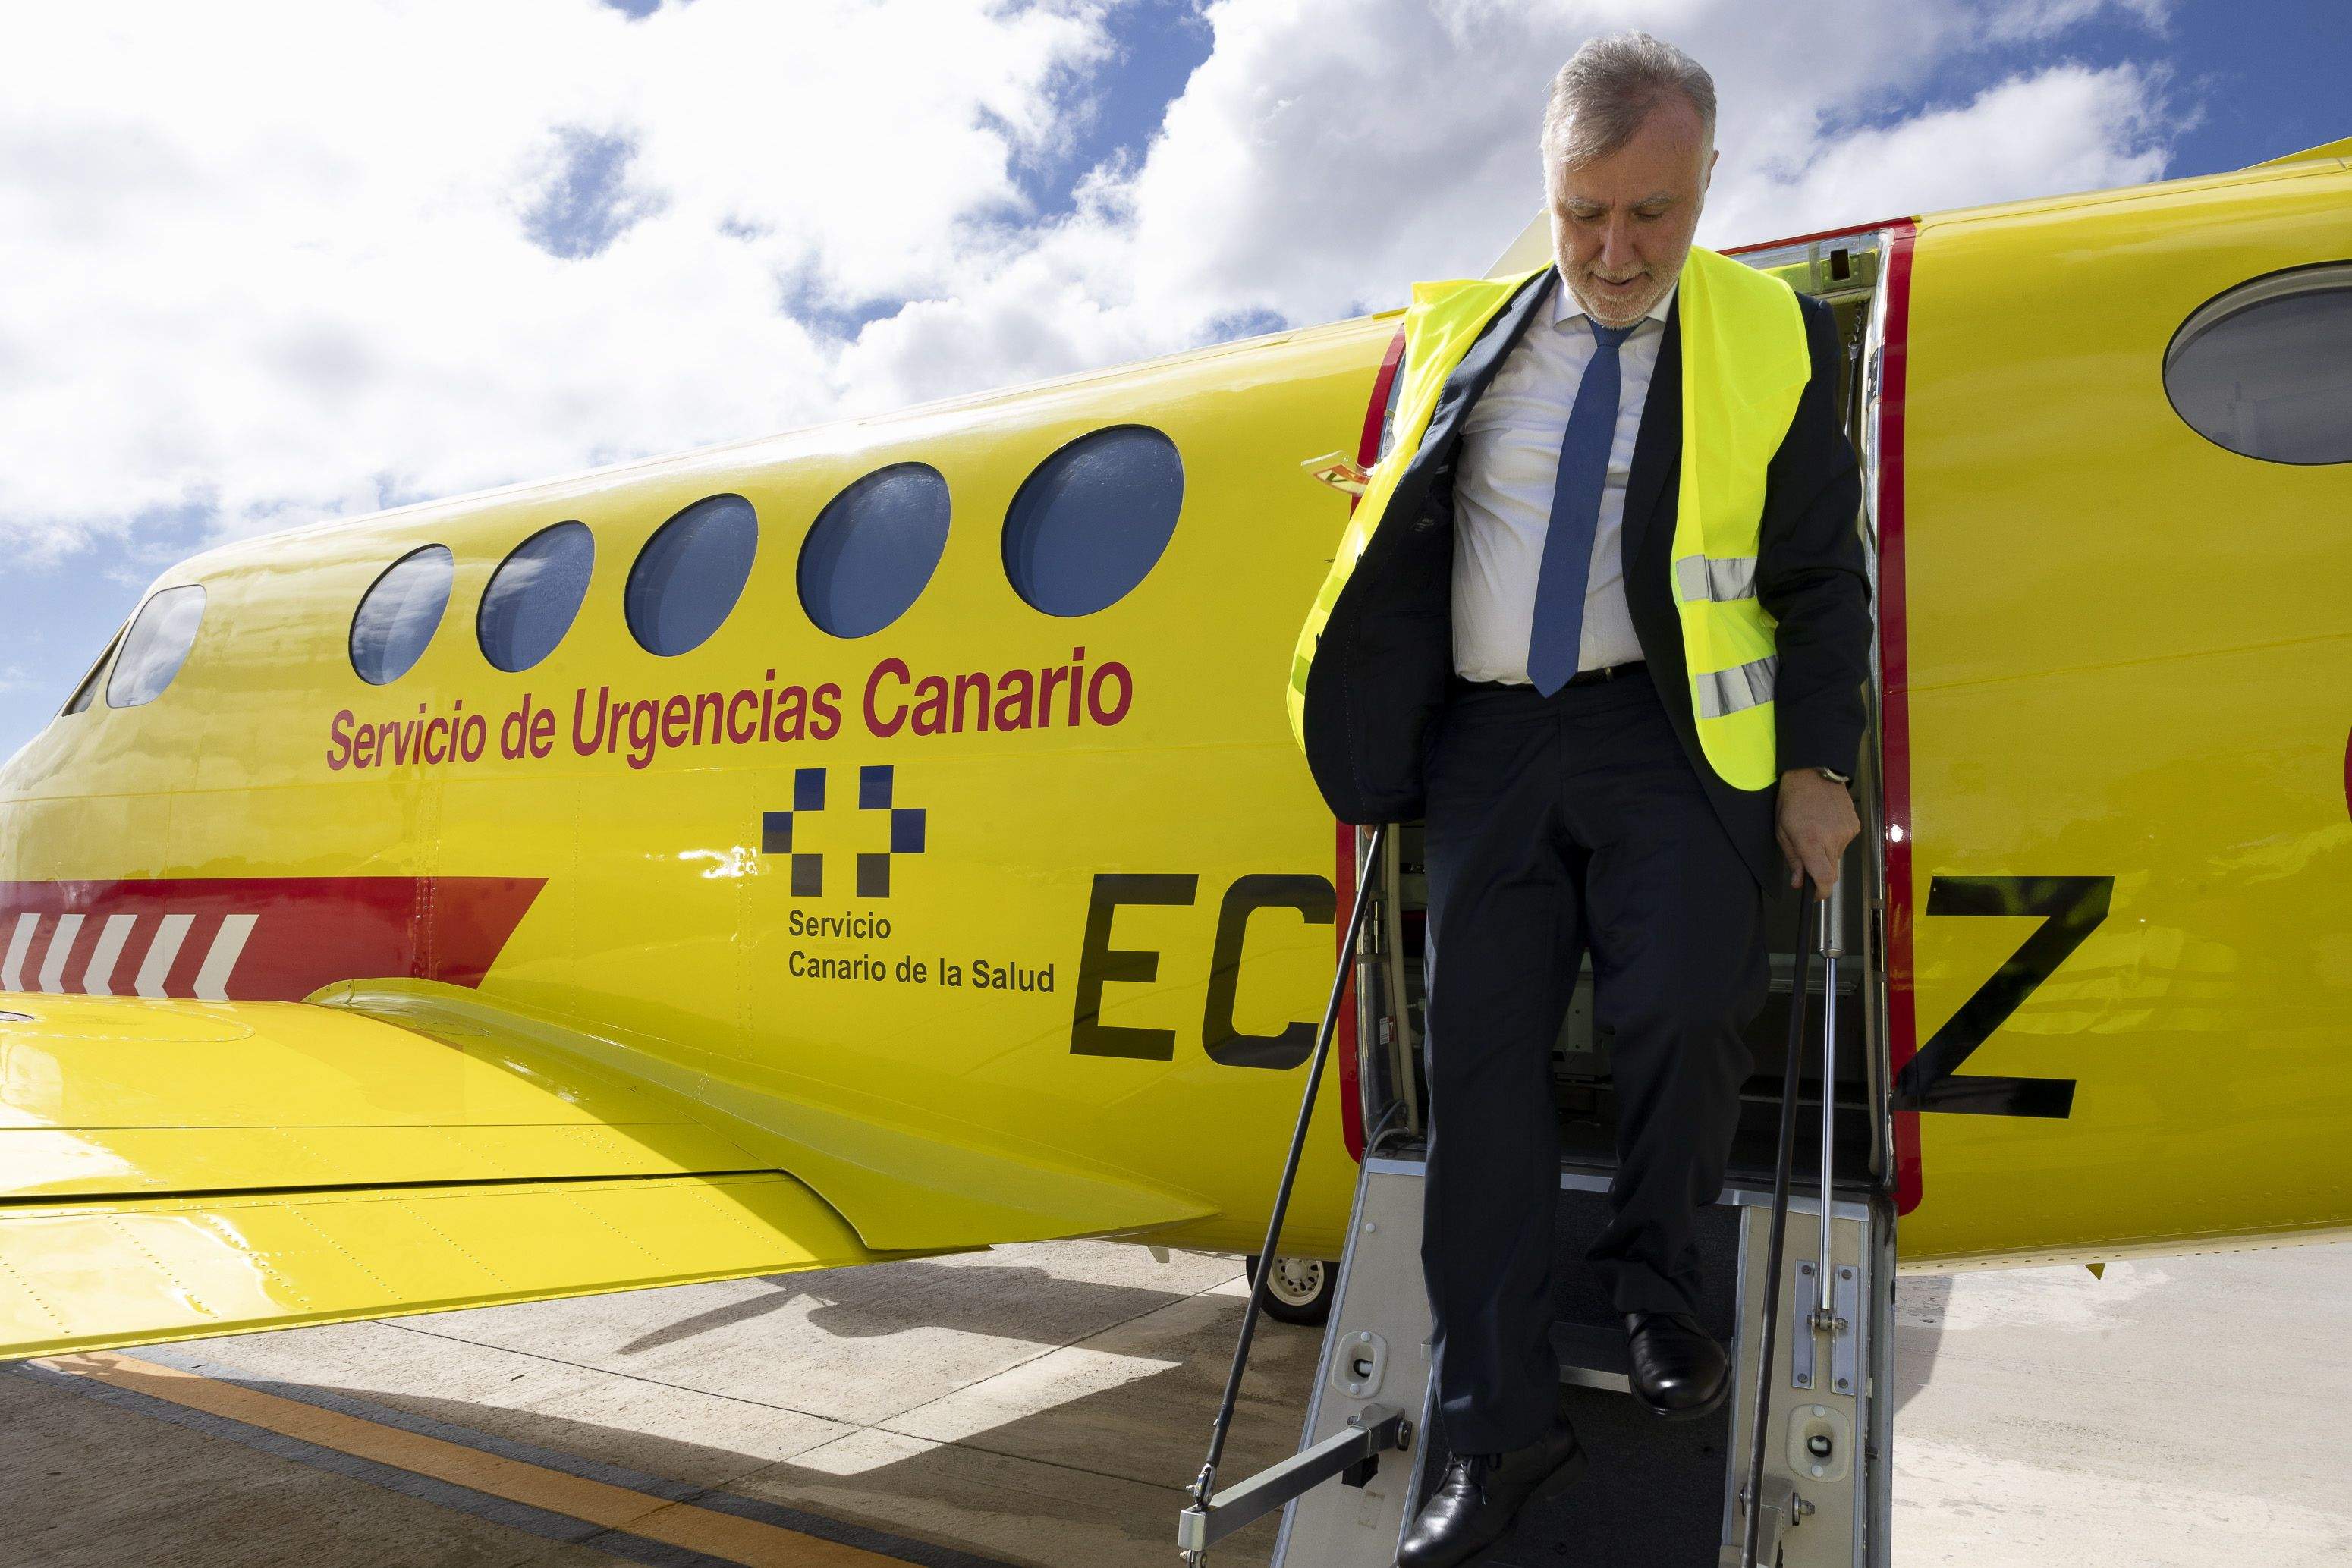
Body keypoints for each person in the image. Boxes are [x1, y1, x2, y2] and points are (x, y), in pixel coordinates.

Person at [1283, 30, 1870, 1568]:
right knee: (1479, 1071)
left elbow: (1819, 577)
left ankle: (1661, 1298)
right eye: (1582, 213)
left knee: (1681, 1008)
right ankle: (1497, 1420)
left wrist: (1817, 769)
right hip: (1489, 747)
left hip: (1667, 738)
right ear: (1545, 191)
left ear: (1704, 188)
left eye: (1650, 215)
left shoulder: (1763, 336)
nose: (1614, 251)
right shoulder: (1468, 335)